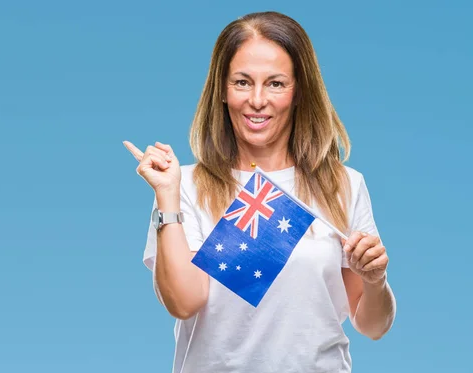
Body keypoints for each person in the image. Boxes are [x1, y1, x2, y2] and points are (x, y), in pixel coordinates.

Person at [123, 11, 396, 373]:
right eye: (241, 82)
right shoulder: (184, 186)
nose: (257, 100)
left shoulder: (343, 185)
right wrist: (167, 197)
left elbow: (372, 326)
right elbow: (184, 303)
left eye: (276, 84)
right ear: (221, 90)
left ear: (299, 91)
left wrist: (376, 281)